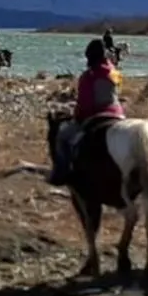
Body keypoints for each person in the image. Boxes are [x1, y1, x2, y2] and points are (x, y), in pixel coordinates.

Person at [48, 39, 126, 186]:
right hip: (118, 115)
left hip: (96, 116)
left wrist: (77, 116)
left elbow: (85, 104)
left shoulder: (89, 76)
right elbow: (117, 93)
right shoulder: (115, 73)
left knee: (63, 138)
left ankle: (63, 172)